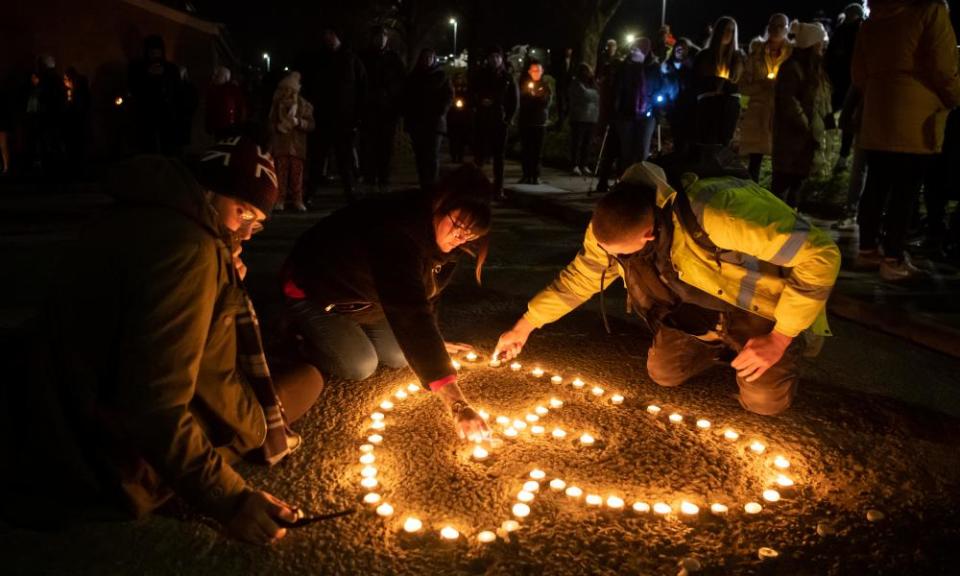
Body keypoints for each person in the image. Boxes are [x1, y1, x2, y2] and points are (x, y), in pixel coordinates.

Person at [8, 136, 324, 544]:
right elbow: (155, 405)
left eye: (257, 223)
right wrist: (230, 499)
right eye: (241, 211)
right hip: (103, 454)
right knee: (308, 380)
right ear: (207, 192)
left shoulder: (134, 214)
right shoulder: (190, 251)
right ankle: (190, 472)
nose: (246, 233)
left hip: (54, 403)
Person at [494, 153, 841, 416]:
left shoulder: (718, 213)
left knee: (764, 404)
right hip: (695, 313)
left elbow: (821, 255)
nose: (616, 262)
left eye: (622, 256)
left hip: (756, 311)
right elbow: (581, 278)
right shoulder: (611, 225)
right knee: (664, 373)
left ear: (648, 235)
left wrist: (780, 339)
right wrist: (524, 327)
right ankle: (720, 345)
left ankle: (770, 349)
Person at [280, 165, 494, 440]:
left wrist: (435, 343)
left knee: (398, 356)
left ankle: (350, 332)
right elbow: (409, 312)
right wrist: (457, 404)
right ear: (440, 204)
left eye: (470, 235)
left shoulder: (447, 239)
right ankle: (299, 334)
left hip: (370, 299)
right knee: (360, 365)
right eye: (458, 226)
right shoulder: (397, 232)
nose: (461, 238)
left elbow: (426, 296)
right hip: (320, 292)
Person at [852, 0, 960, 280]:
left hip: (878, 110)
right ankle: (894, 258)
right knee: (906, 190)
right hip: (917, 112)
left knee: (876, 184)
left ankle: (867, 250)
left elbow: (859, 73)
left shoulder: (873, 19)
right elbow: (943, 63)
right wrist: (954, 97)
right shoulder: (930, 11)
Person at [771, 21, 830, 209]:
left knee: (797, 184)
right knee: (783, 184)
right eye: (819, 43)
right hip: (792, 138)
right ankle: (775, 225)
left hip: (806, 140)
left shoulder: (815, 70)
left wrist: (825, 124)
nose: (822, 47)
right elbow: (789, 101)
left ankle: (791, 226)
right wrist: (806, 125)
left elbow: (822, 99)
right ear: (811, 45)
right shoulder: (792, 68)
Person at [312, 29, 367, 201]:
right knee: (319, 158)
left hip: (344, 119)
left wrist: (357, 116)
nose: (329, 40)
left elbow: (362, 88)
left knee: (344, 158)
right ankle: (311, 191)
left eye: (332, 36)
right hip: (323, 118)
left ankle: (349, 190)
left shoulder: (351, 60)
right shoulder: (320, 60)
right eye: (326, 37)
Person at [740, 14, 792, 183]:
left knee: (781, 157)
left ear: (787, 29)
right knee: (755, 158)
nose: (776, 30)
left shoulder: (792, 54)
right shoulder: (756, 52)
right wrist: (762, 85)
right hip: (759, 111)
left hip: (781, 110)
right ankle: (753, 191)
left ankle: (777, 196)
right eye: (773, 26)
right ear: (768, 28)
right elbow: (743, 85)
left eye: (780, 26)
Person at [360, 25, 405, 194]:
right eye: (378, 37)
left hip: (388, 111)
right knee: (369, 146)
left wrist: (394, 101)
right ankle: (370, 178)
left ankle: (384, 178)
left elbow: (401, 84)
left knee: (386, 146)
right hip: (370, 110)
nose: (381, 40)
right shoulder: (364, 57)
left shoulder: (394, 59)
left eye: (383, 37)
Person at [471, 46, 518, 197]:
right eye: (492, 57)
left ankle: (499, 188)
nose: (494, 60)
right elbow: (471, 93)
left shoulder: (507, 77)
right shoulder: (480, 75)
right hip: (482, 119)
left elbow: (514, 99)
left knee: (499, 156)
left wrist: (509, 118)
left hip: (500, 120)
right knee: (480, 154)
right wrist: (478, 103)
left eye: (497, 57)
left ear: (501, 59)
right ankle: (478, 186)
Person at [403, 48, 454, 190]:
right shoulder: (414, 77)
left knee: (431, 156)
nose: (427, 60)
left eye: (430, 58)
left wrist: (440, 111)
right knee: (420, 157)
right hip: (417, 123)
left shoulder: (441, 76)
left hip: (434, 123)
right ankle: (424, 185)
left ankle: (431, 186)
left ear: (434, 59)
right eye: (425, 58)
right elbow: (406, 97)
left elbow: (449, 96)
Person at [127, 35, 184, 156]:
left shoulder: (170, 68)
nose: (155, 54)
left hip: (167, 113)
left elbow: (177, 91)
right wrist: (147, 76)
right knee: (148, 147)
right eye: (152, 51)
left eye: (157, 51)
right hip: (146, 113)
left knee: (168, 147)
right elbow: (133, 88)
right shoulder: (137, 68)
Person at [825, 3, 866, 170]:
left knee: (847, 118)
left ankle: (842, 156)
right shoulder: (842, 30)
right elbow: (831, 54)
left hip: (850, 81)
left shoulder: (858, 30)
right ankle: (828, 147)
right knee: (829, 113)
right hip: (840, 81)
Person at [693, 17, 745, 147]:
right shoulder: (704, 56)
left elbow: (741, 84)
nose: (729, 34)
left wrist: (725, 85)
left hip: (729, 108)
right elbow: (696, 81)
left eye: (732, 31)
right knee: (706, 143)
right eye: (726, 29)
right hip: (708, 106)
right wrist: (715, 83)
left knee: (723, 145)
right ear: (718, 31)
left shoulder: (738, 58)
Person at [269, 71, 315, 212]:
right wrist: (277, 126)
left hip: (297, 146)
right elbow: (270, 123)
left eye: (291, 89)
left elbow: (311, 125)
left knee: (297, 175)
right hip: (281, 145)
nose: (288, 92)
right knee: (280, 174)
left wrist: (298, 122)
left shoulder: (304, 105)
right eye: (286, 89)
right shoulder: (277, 105)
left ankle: (297, 200)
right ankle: (280, 199)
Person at [614, 38, 659, 167]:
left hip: (647, 114)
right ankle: (625, 180)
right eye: (632, 48)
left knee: (642, 150)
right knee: (626, 151)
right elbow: (618, 89)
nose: (633, 51)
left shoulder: (653, 67)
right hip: (625, 113)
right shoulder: (624, 67)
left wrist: (654, 106)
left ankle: (639, 180)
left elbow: (658, 87)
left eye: (636, 49)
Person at [661, 38, 700, 157]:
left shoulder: (693, 68)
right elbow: (664, 86)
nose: (679, 50)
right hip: (674, 109)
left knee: (690, 140)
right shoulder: (667, 67)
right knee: (678, 140)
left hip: (690, 110)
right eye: (677, 47)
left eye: (683, 48)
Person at [518, 60, 553, 184]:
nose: (535, 73)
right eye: (533, 70)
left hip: (540, 122)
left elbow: (546, 103)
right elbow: (522, 102)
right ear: (529, 72)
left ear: (542, 71)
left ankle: (536, 175)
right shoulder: (524, 85)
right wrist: (532, 98)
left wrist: (535, 98)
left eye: (538, 70)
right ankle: (526, 174)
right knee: (526, 150)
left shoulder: (545, 85)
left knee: (537, 151)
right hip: (526, 122)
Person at [568, 63, 599, 176]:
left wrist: (594, 94)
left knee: (587, 143)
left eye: (589, 71)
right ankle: (574, 165)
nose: (588, 74)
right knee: (577, 143)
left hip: (591, 118)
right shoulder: (576, 83)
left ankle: (584, 164)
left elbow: (597, 96)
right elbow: (584, 95)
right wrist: (594, 94)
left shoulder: (592, 84)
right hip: (579, 117)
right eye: (585, 71)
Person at [206, 66, 248, 139]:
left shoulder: (233, 90)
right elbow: (210, 109)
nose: (215, 77)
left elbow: (241, 107)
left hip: (231, 126)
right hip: (218, 126)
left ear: (225, 77)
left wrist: (240, 124)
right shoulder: (213, 90)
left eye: (218, 75)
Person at [447, 73, 471, 163]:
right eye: (457, 78)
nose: (459, 80)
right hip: (453, 118)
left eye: (461, 78)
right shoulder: (451, 88)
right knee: (453, 139)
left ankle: (460, 156)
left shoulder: (466, 89)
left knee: (462, 139)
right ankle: (453, 155)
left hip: (463, 118)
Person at [554, 47, 575, 127]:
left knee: (569, 103)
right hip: (560, 85)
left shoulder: (573, 61)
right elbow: (557, 71)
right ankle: (561, 121)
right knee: (560, 103)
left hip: (568, 85)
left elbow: (572, 71)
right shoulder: (560, 61)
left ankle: (564, 119)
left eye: (570, 50)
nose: (568, 52)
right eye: (567, 50)